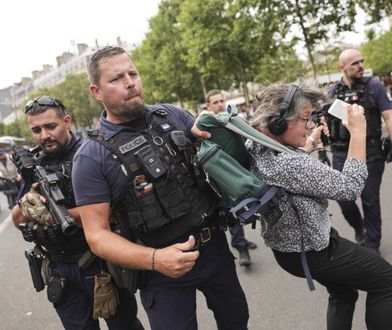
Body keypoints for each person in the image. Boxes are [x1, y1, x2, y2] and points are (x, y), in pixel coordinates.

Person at [72, 46, 248, 330]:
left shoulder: (172, 115)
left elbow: (217, 154)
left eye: (133, 73)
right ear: (96, 92)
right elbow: (97, 236)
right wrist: (155, 259)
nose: (130, 82)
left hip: (215, 250)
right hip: (160, 271)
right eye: (116, 79)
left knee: (237, 321)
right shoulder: (91, 157)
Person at [248, 82, 392, 330]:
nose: (312, 124)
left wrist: (309, 141)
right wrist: (358, 132)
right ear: (278, 122)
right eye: (305, 119)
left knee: (343, 293)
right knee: (386, 281)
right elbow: (349, 187)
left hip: (290, 248)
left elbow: (290, 167)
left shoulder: (255, 144)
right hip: (315, 249)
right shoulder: (288, 164)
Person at [11, 96, 144, 330]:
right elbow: (17, 219)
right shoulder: (35, 164)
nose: (44, 135)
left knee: (125, 325)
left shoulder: (92, 154)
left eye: (51, 126)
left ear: (67, 121)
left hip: (98, 263)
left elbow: (111, 213)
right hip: (59, 268)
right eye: (36, 130)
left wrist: (59, 214)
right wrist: (29, 202)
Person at [327, 49, 392, 254]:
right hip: (340, 152)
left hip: (371, 152)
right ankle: (359, 227)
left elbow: (389, 116)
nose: (360, 65)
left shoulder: (374, 86)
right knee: (344, 199)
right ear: (342, 68)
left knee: (370, 200)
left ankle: (373, 246)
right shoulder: (333, 91)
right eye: (354, 63)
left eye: (361, 61)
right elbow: (326, 120)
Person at [205, 89, 257, 266]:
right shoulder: (207, 125)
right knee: (234, 212)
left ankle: (243, 242)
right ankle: (242, 248)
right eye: (215, 102)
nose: (220, 104)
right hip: (226, 177)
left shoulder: (234, 119)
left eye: (222, 101)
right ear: (208, 106)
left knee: (254, 206)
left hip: (245, 170)